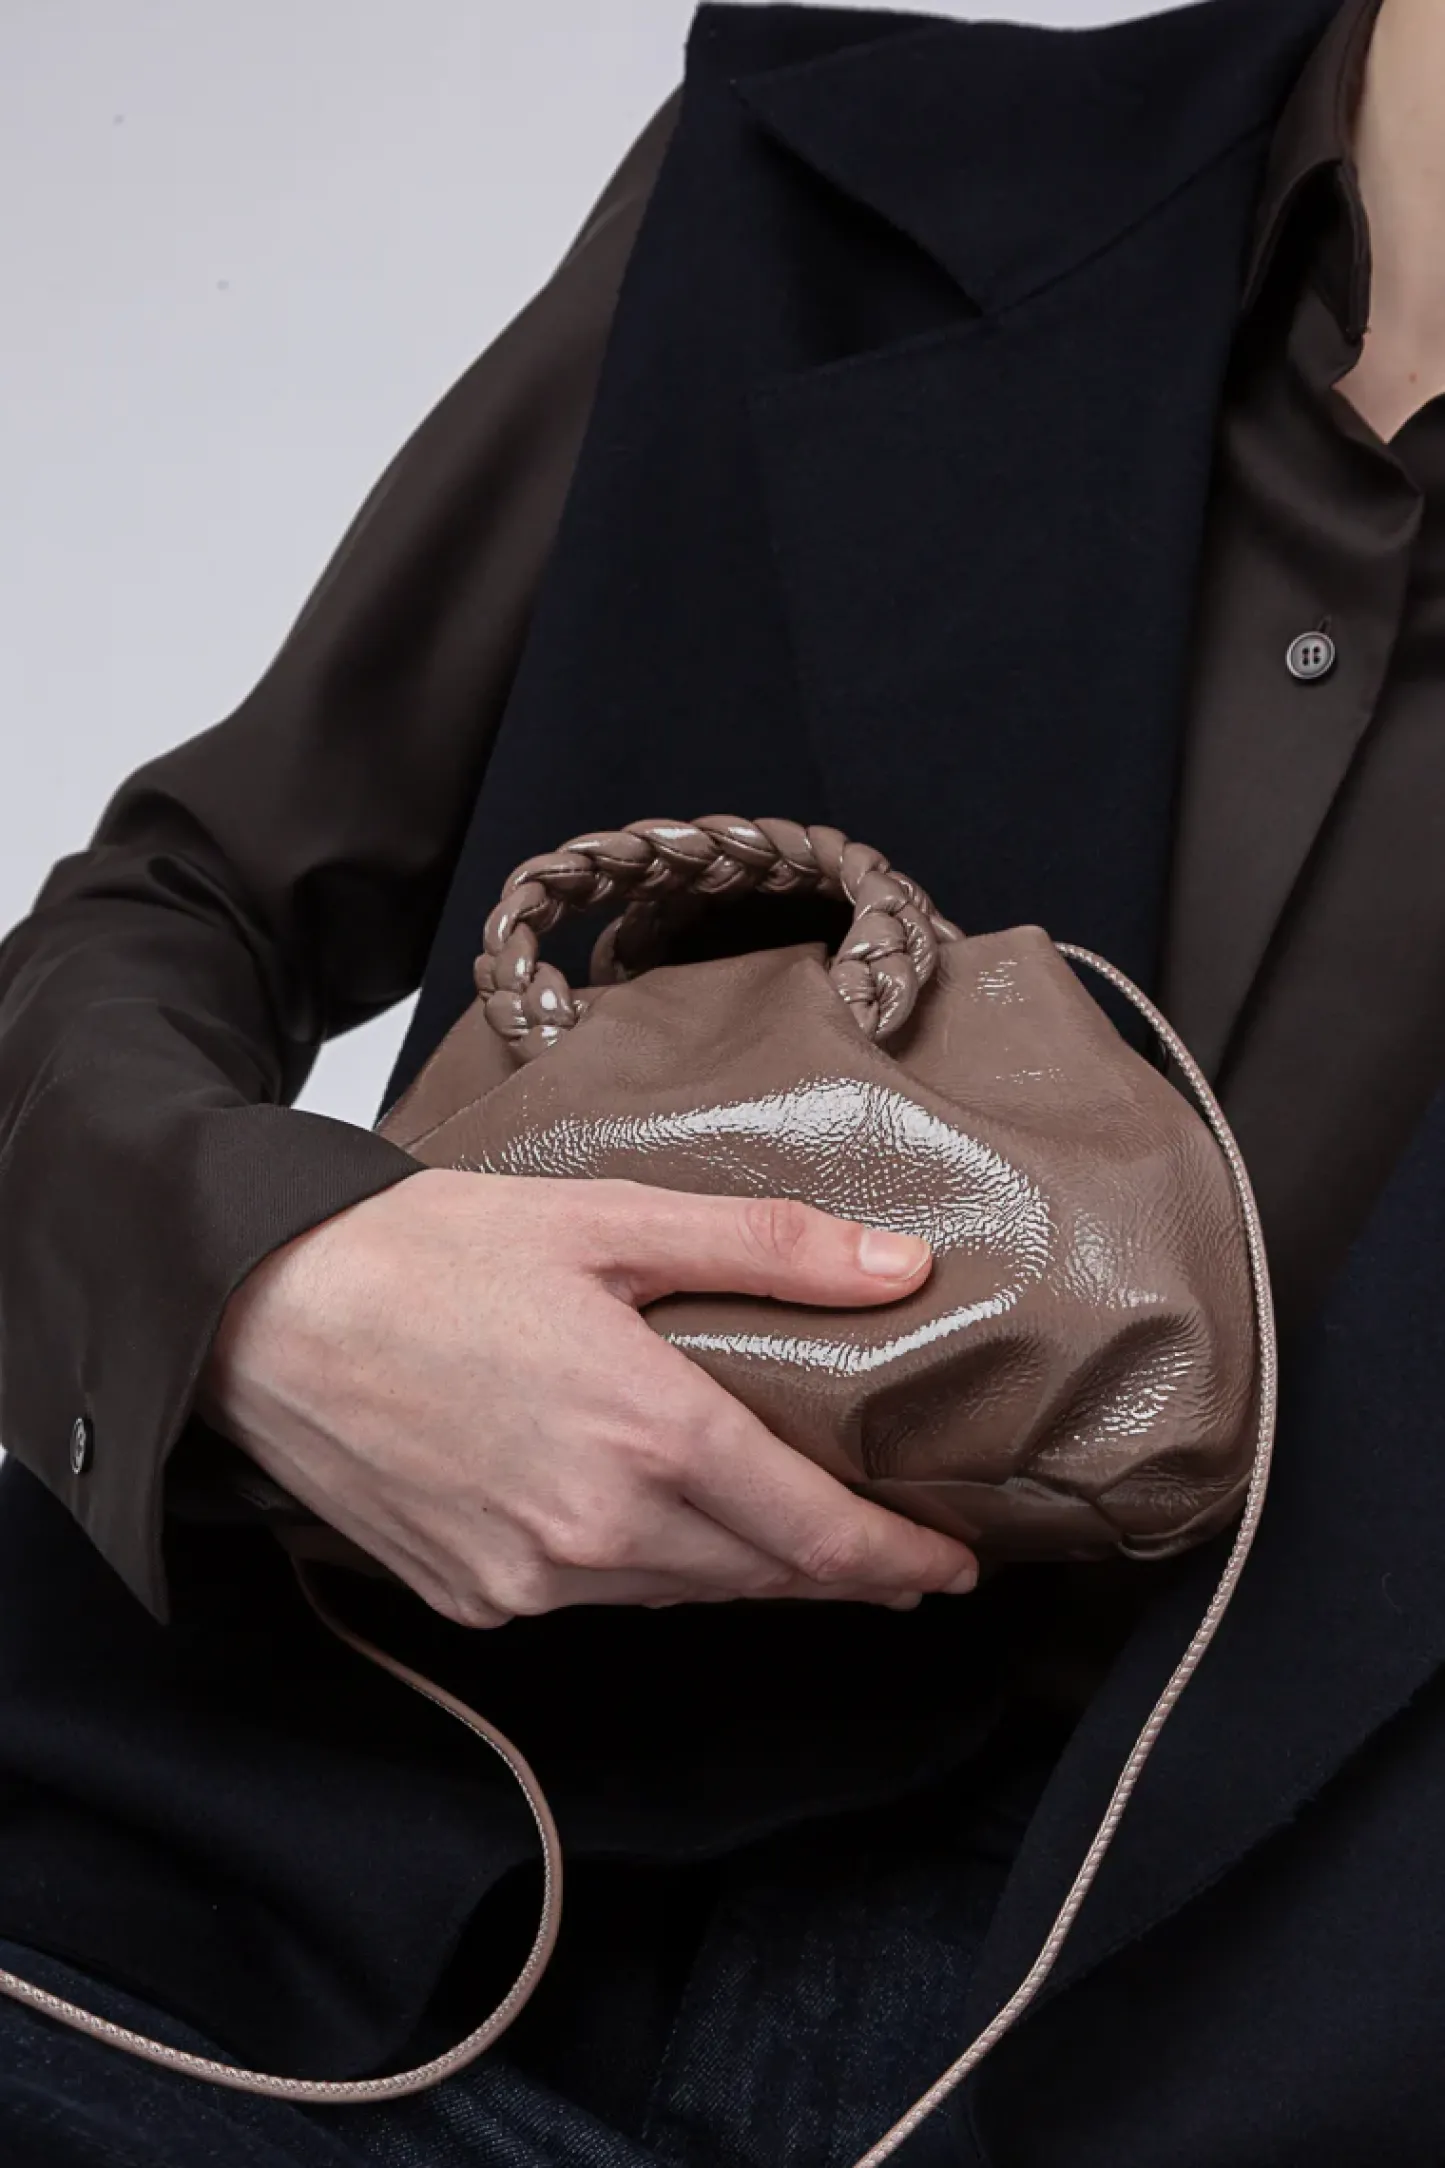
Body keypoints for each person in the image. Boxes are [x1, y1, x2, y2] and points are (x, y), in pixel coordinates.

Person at [0, 0, 1442, 2158]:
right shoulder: (829, 186)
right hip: (260, 1902)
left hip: (1225, 2058)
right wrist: (267, 1296)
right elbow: (170, 912)